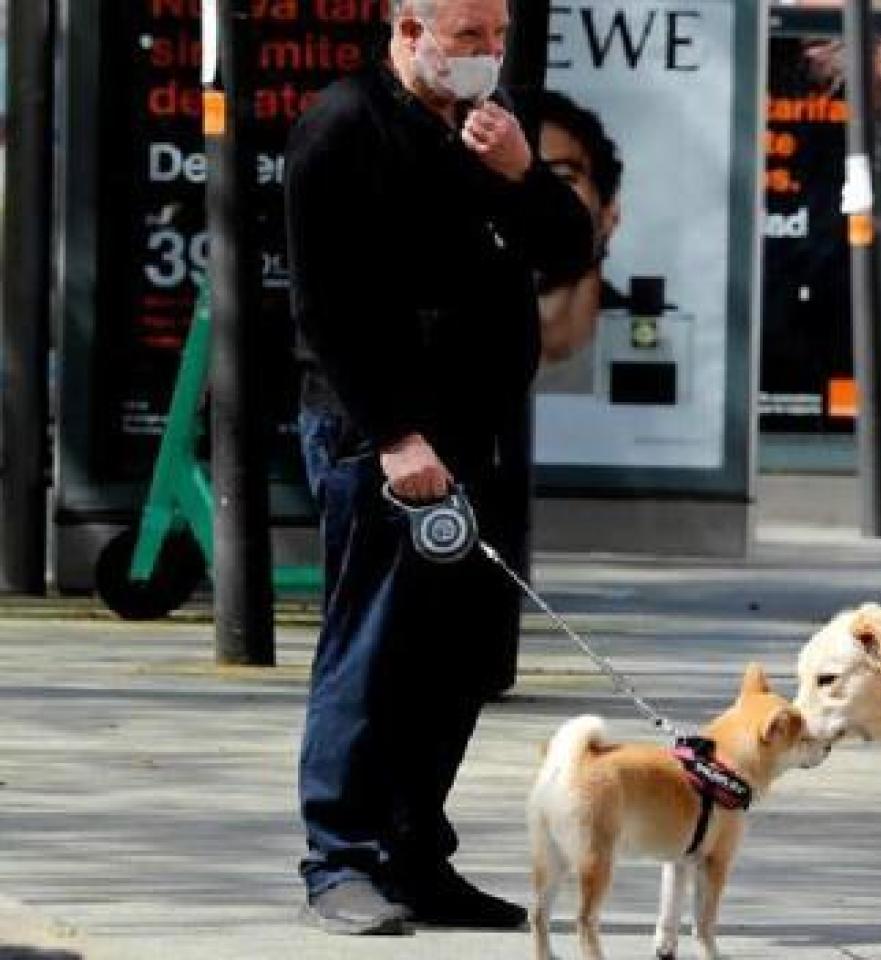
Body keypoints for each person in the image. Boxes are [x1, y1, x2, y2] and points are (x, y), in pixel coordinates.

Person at [285, 0, 594, 935]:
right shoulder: (343, 126)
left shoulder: (492, 127)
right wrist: (391, 434)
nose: (486, 57)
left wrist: (522, 176)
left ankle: (415, 854)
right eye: (467, 39)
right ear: (408, 31)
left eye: (497, 39)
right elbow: (327, 302)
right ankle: (339, 859)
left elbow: (568, 251)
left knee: (459, 660)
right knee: (372, 650)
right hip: (386, 437)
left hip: (478, 429)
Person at [529, 89, 626, 394]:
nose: (533, 203)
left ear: (608, 214)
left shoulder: (659, 344)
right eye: (500, 179)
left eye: (561, 179)